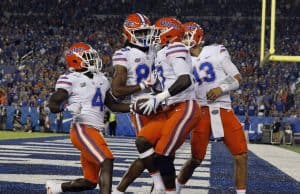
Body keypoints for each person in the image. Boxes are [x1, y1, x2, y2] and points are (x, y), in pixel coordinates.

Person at [46, 42, 130, 194]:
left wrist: (137, 106)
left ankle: (56, 188)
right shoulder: (71, 78)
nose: (94, 59)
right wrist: (65, 108)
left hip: (95, 132)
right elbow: (53, 103)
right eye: (89, 57)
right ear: (76, 60)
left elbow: (114, 106)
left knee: (90, 182)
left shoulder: (102, 79)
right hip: (82, 129)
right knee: (107, 160)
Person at [177, 22, 248, 194]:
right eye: (182, 36)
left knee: (241, 155)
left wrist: (220, 89)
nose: (184, 40)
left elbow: (237, 78)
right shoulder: (180, 59)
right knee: (195, 159)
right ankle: (175, 189)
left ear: (198, 37)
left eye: (187, 35)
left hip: (222, 108)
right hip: (200, 111)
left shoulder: (216, 51)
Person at [133, 17, 200, 194]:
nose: (153, 35)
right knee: (142, 141)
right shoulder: (162, 52)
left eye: (157, 31)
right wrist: (152, 91)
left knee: (163, 155)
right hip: (169, 108)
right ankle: (160, 185)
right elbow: (166, 81)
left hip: (185, 106)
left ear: (168, 33)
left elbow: (184, 79)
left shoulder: (176, 47)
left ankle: (168, 192)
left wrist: (160, 96)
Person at [111, 13, 163, 194]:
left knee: (157, 152)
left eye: (146, 32)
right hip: (142, 106)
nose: (145, 36)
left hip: (160, 104)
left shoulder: (154, 49)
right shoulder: (124, 54)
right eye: (141, 33)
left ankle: (120, 190)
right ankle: (155, 186)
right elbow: (117, 90)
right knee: (150, 151)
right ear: (130, 33)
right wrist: (142, 85)